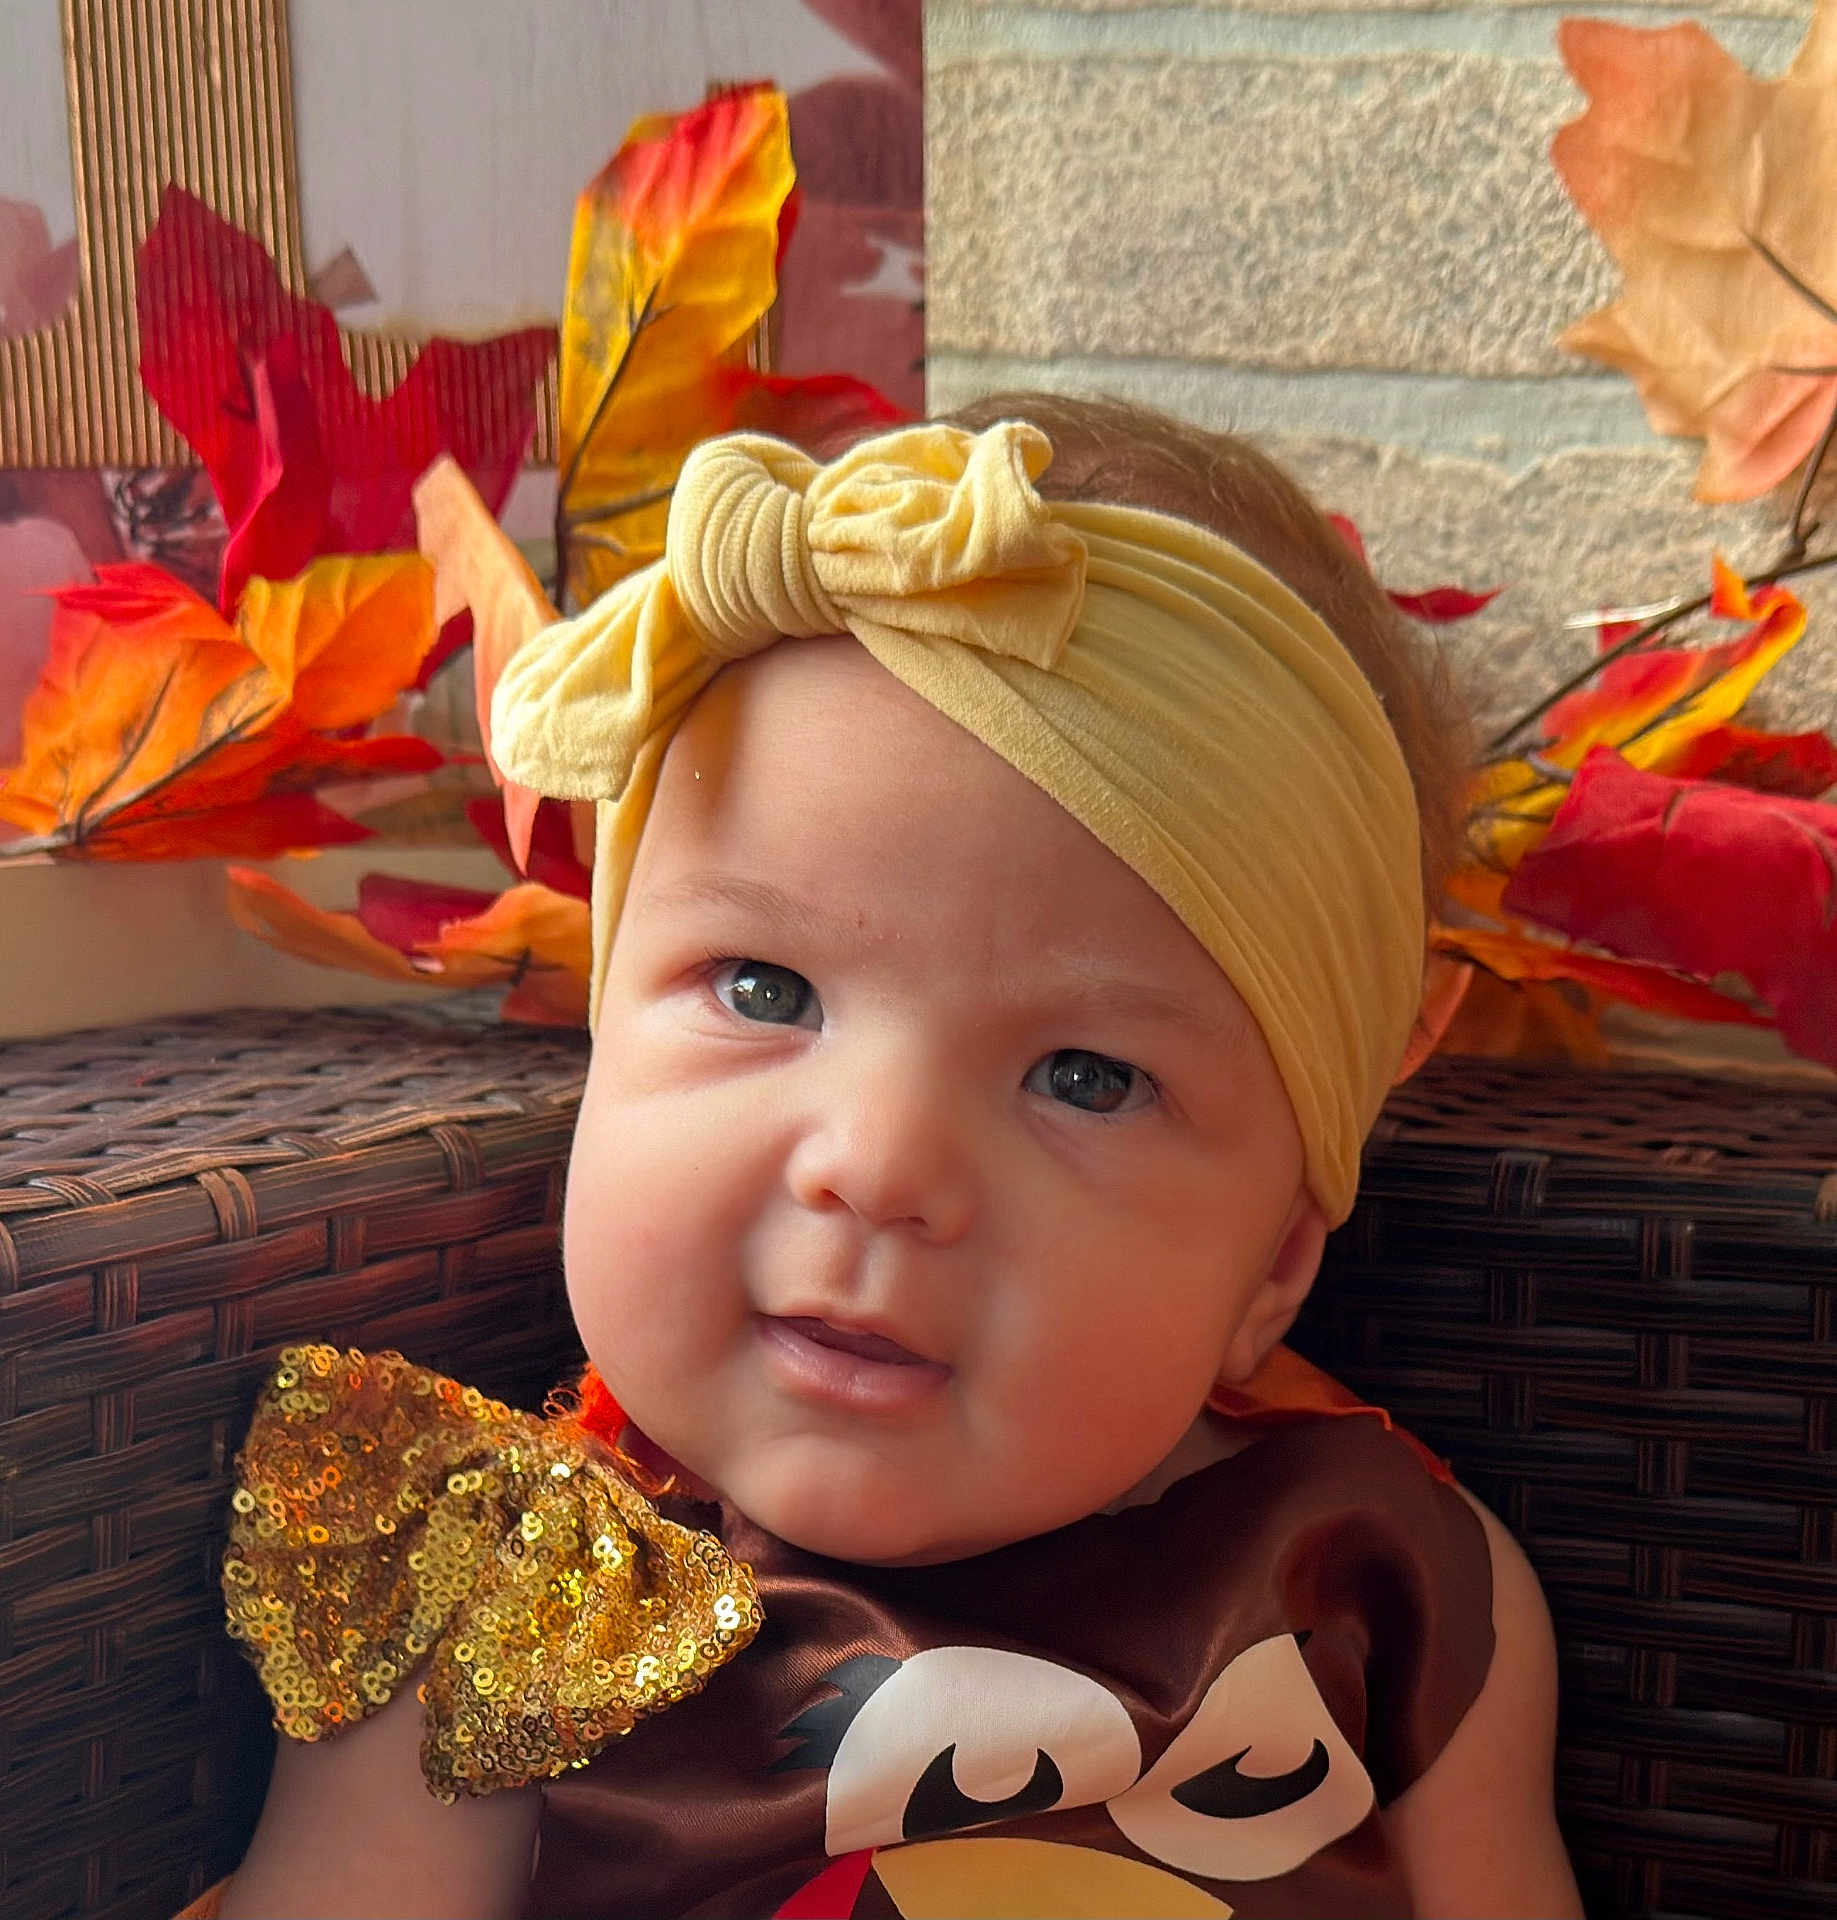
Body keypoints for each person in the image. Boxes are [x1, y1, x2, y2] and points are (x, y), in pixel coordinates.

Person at [198, 395, 1582, 1919]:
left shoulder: (1376, 1577)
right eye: (760, 990)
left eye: (1085, 1076)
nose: (874, 1166)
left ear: (1271, 1262)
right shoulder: (500, 1584)